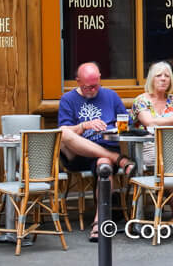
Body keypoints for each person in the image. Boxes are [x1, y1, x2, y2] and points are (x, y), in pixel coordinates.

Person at [57, 61, 135, 241]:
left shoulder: (111, 96)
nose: (92, 90)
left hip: (105, 146)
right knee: (63, 132)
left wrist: (118, 126)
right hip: (78, 154)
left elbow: (127, 124)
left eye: (95, 86)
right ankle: (118, 158)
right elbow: (66, 133)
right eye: (87, 87)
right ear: (77, 81)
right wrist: (85, 126)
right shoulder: (68, 99)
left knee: (104, 165)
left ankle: (100, 222)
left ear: (100, 79)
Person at [132, 61, 173, 168]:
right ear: (151, 79)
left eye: (167, 76)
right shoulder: (141, 101)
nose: (163, 79)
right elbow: (150, 123)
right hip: (148, 152)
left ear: (170, 80)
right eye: (158, 75)